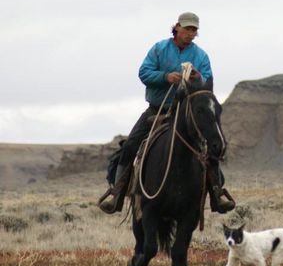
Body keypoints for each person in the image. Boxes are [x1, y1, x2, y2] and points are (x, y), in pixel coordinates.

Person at [98, 11, 235, 215]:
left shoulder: (201, 55)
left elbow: (207, 82)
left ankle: (217, 193)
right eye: (187, 28)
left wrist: (196, 78)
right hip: (158, 108)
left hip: (187, 113)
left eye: (194, 30)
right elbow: (144, 72)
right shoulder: (159, 49)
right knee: (131, 145)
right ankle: (117, 193)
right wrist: (166, 77)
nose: (190, 33)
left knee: (210, 146)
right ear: (177, 27)